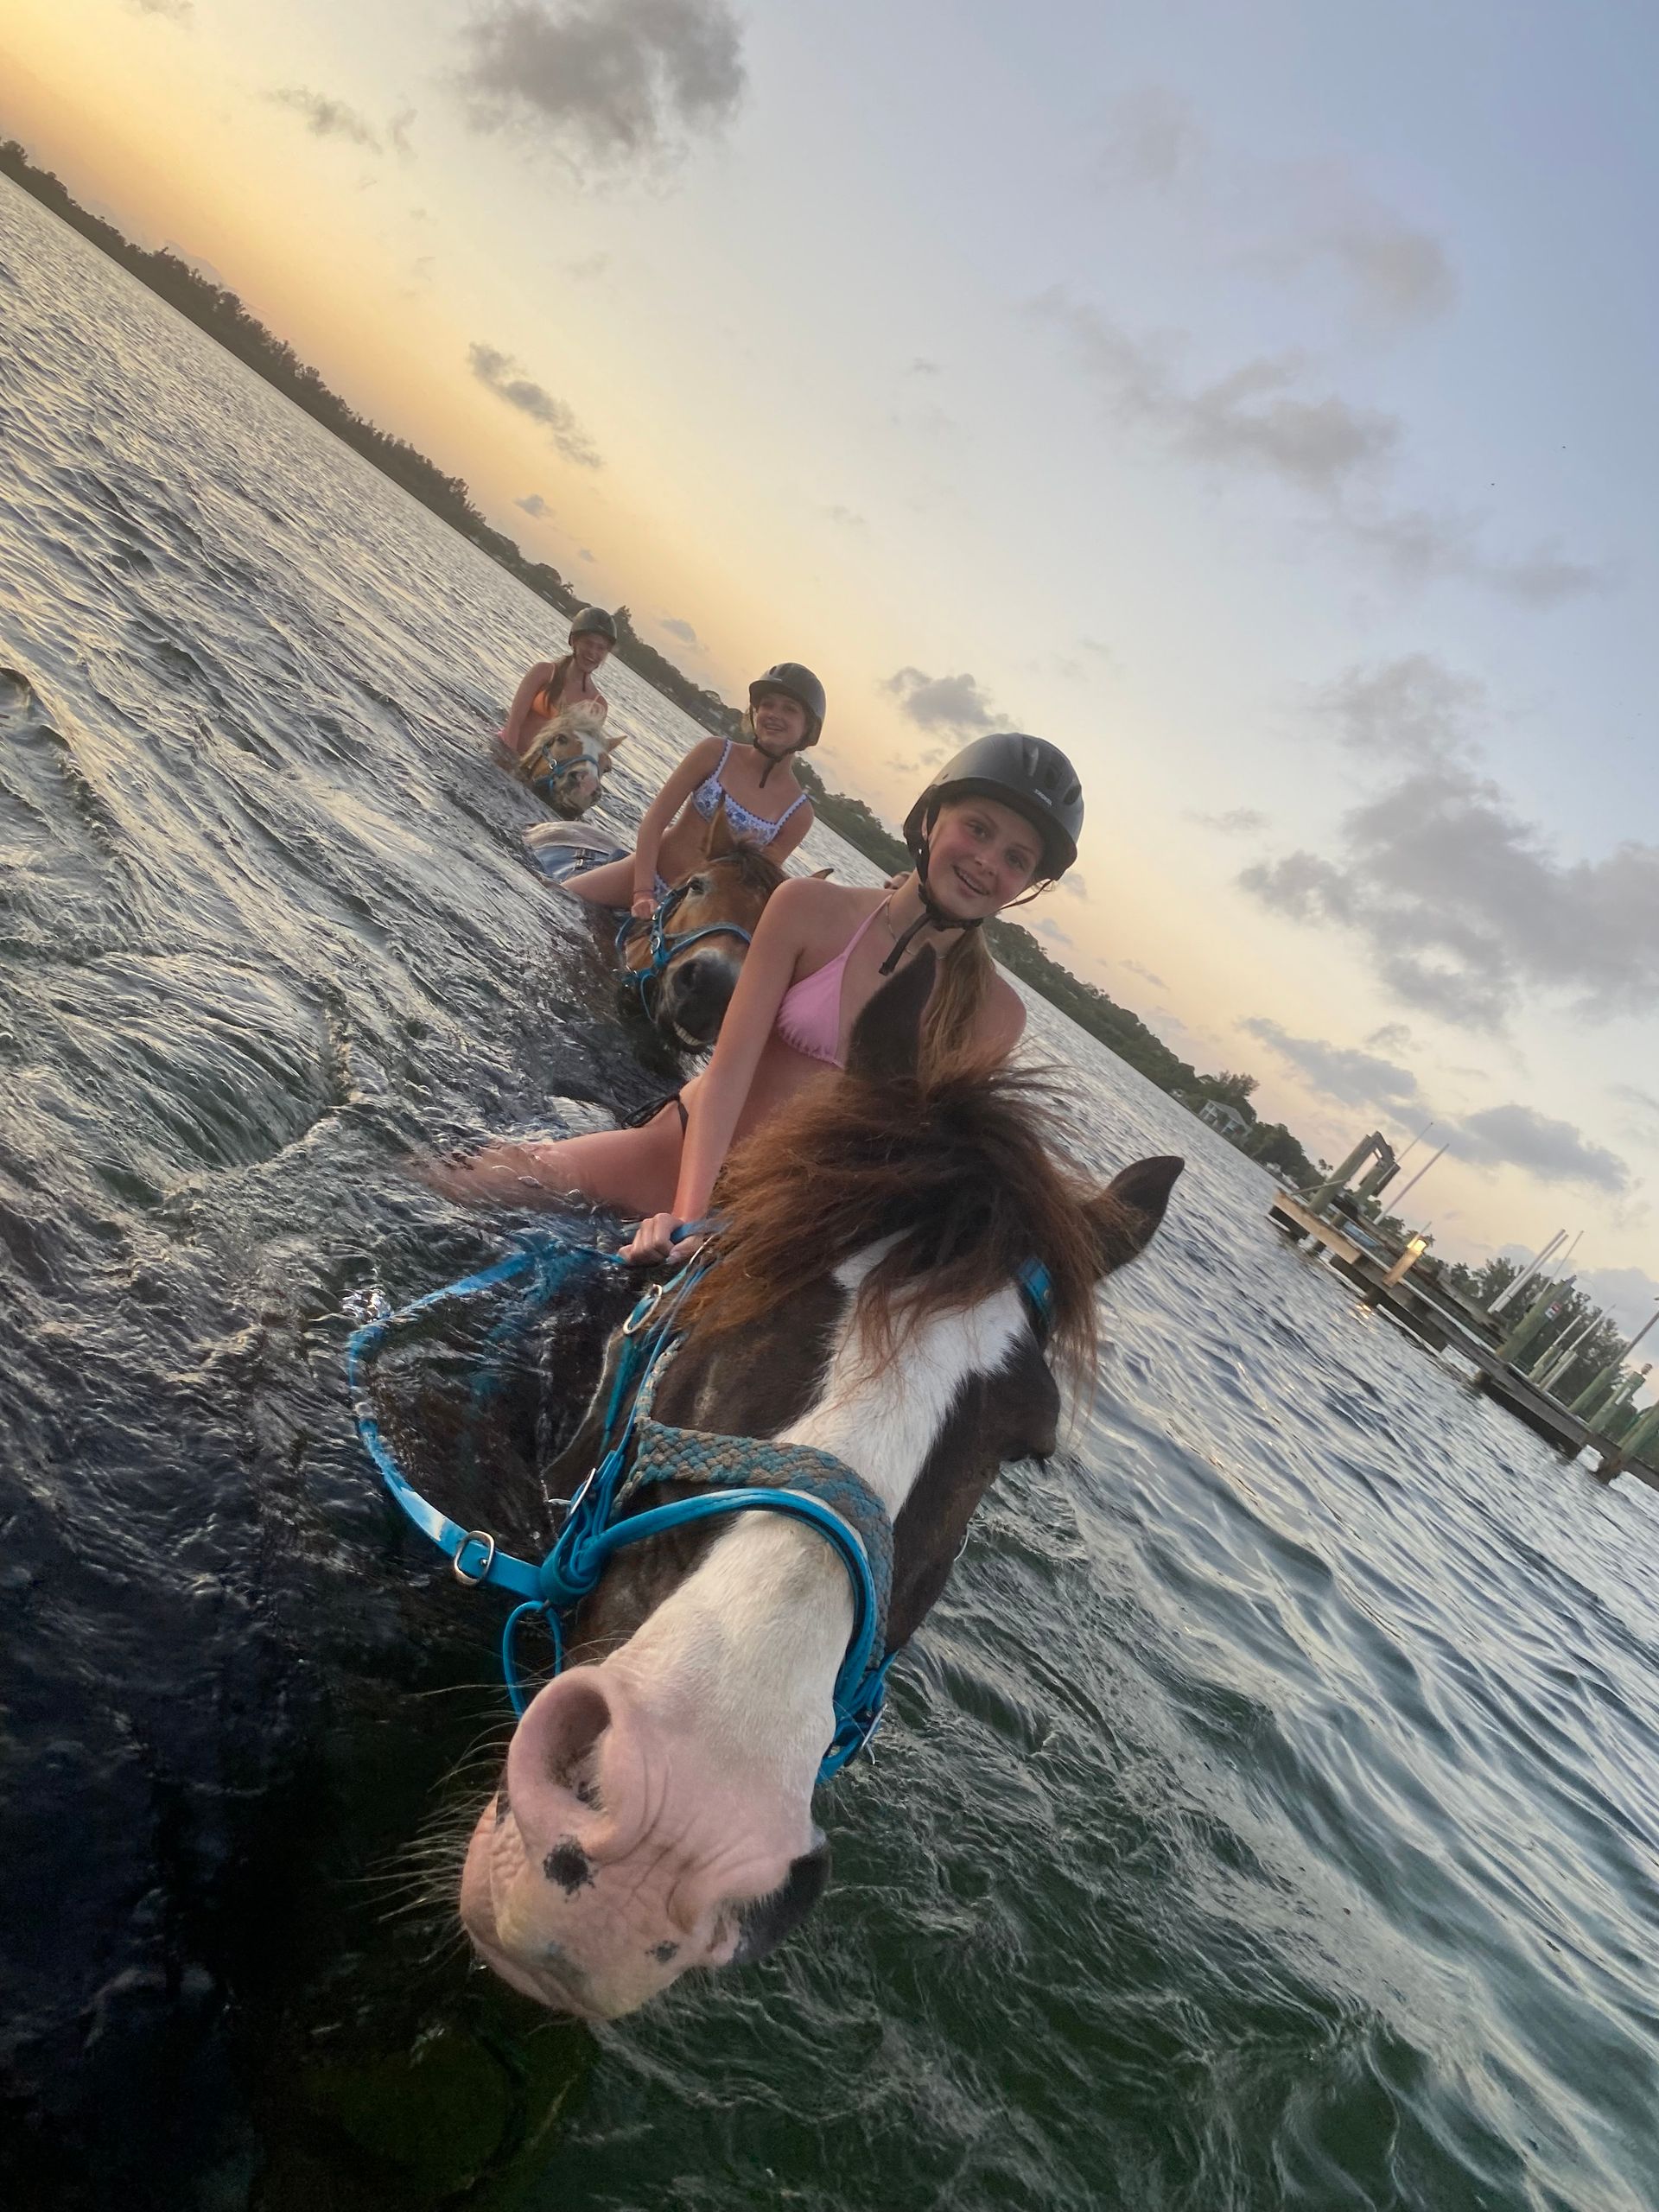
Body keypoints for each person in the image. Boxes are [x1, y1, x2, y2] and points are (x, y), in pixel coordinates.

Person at [429, 734, 1085, 1262]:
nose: (987, 862)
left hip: (774, 1237)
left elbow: (907, 1170)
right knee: (463, 1187)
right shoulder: (809, 908)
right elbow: (730, 1072)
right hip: (679, 1154)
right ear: (931, 819)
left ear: (1026, 884)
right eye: (977, 828)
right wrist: (687, 1220)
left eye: (1017, 859)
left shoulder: (998, 1017)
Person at [558, 663, 825, 918]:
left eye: (789, 709)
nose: (774, 715)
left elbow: (752, 884)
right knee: (560, 898)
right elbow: (655, 820)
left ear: (808, 729)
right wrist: (642, 892)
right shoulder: (715, 752)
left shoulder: (798, 814)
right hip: (649, 874)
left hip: (697, 914)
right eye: (767, 704)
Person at [497, 607, 617, 762]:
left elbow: (578, 755)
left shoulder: (598, 706)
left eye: (601, 648)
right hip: (506, 751)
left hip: (539, 775)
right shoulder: (544, 672)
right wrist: (507, 762)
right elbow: (514, 722)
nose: (593, 652)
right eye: (588, 643)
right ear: (574, 641)